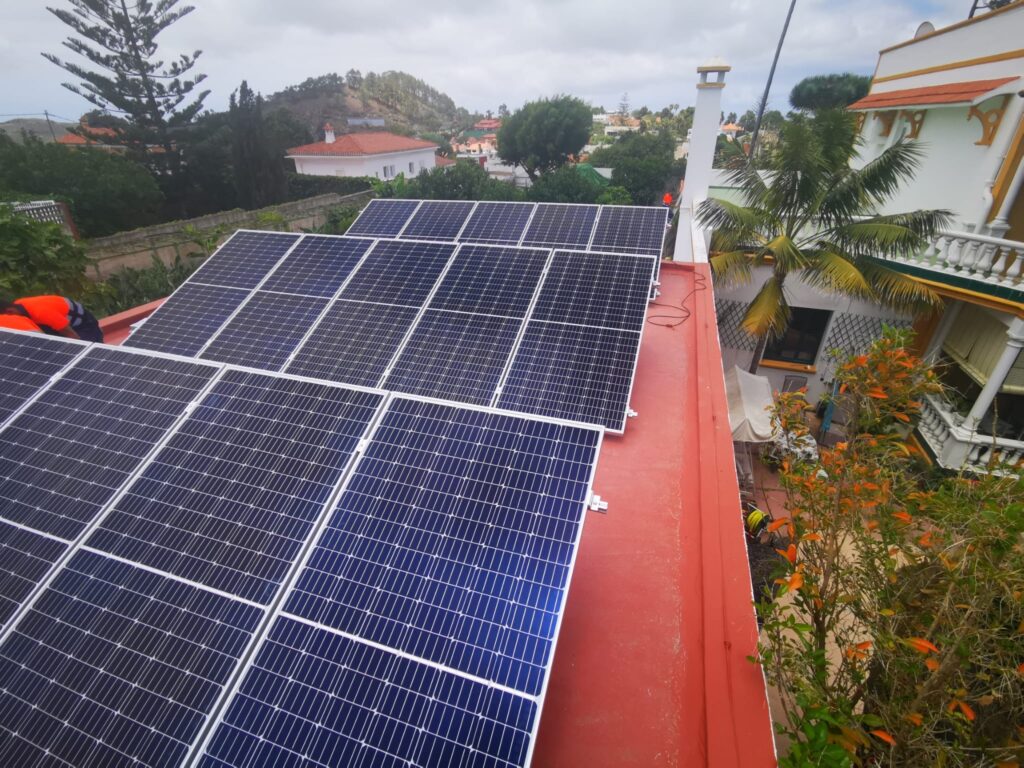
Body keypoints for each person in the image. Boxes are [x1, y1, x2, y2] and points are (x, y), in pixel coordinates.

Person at [0, 295, 104, 342]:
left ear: (10, 311)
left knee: (91, 355)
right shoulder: (20, 306)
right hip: (62, 324)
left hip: (83, 325)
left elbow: (72, 336)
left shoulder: (41, 312)